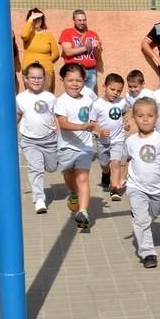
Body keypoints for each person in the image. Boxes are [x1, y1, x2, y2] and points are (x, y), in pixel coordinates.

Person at [125, 97, 160, 269]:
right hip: (136, 187)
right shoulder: (131, 141)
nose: (145, 119)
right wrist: (121, 178)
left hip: (157, 189)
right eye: (141, 116)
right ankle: (148, 252)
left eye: (150, 115)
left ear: (156, 117)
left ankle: (142, 220)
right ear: (134, 118)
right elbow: (129, 161)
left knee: (151, 215)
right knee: (142, 220)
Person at [55, 63, 101, 229]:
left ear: (84, 81)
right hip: (66, 147)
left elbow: (95, 118)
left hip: (85, 147)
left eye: (79, 80)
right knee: (69, 176)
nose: (75, 84)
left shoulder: (89, 100)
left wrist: (98, 129)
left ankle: (83, 211)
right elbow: (64, 124)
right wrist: (84, 126)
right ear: (63, 80)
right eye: (70, 80)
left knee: (82, 178)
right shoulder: (61, 102)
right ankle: (73, 193)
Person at [15, 62, 57, 214]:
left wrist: (59, 135)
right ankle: (39, 199)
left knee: (52, 167)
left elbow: (56, 117)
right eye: (32, 77)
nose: (36, 80)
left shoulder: (50, 97)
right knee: (35, 168)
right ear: (25, 79)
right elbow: (18, 115)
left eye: (39, 78)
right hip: (29, 141)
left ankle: (49, 163)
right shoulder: (21, 98)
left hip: (50, 140)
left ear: (44, 79)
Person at [89, 73, 130, 200]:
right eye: (112, 89)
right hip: (102, 141)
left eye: (119, 91)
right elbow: (91, 123)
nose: (115, 93)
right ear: (104, 87)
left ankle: (115, 187)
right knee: (104, 163)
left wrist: (125, 122)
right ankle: (105, 174)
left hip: (118, 139)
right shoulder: (97, 105)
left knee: (116, 162)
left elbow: (126, 112)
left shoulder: (122, 102)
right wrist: (99, 132)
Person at [58, 9, 102, 93]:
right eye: (79, 20)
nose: (82, 22)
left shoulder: (93, 34)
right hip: (74, 71)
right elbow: (68, 52)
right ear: (74, 20)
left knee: (89, 96)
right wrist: (86, 47)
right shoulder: (67, 32)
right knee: (74, 95)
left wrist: (96, 48)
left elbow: (97, 55)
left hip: (90, 71)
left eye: (84, 20)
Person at [21, 8, 59, 93]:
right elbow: (23, 35)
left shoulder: (47, 34)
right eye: (35, 19)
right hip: (29, 70)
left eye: (39, 19)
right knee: (30, 97)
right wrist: (31, 19)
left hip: (46, 71)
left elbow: (56, 53)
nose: (37, 21)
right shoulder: (28, 34)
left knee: (45, 98)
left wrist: (45, 61)